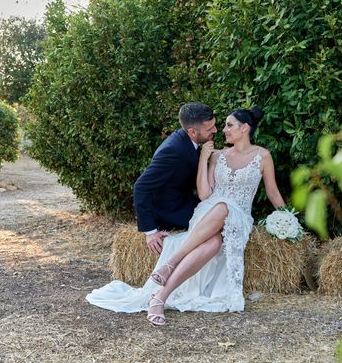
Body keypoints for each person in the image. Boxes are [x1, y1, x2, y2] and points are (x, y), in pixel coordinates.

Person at [86, 106, 285, 326]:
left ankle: (170, 264)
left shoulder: (262, 155)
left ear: (245, 128)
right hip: (209, 212)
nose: (221, 130)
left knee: (223, 208)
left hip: (238, 217)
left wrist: (287, 219)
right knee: (214, 242)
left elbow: (273, 192)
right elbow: (204, 194)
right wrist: (204, 159)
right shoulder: (216, 155)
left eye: (228, 125)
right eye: (220, 125)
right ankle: (159, 297)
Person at [133, 102, 217, 255]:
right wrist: (150, 232)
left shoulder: (190, 140)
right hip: (171, 211)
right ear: (192, 131)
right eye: (209, 129)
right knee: (216, 224)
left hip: (185, 200)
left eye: (214, 126)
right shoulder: (172, 151)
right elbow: (141, 187)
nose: (215, 130)